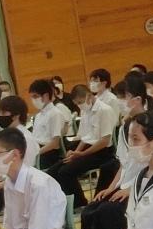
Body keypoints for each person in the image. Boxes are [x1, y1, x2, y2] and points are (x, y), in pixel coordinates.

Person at [77, 77, 150, 229]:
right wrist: (111, 188)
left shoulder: (150, 124)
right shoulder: (125, 126)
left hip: (144, 186)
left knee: (109, 212)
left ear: (137, 99)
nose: (120, 102)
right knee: (90, 211)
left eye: (123, 97)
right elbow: (124, 164)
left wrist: (131, 189)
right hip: (125, 184)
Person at [50, 72, 122, 207]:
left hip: (102, 152)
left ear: (89, 96)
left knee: (66, 172)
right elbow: (84, 137)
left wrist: (81, 154)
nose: (80, 106)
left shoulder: (104, 110)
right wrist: (75, 153)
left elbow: (105, 141)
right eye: (77, 104)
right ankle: (67, 202)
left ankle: (79, 203)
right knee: (54, 171)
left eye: (80, 102)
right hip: (88, 149)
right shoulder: (85, 111)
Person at [29, 78, 75, 172]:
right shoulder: (38, 115)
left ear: (45, 96)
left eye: (35, 96)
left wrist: (36, 153)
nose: (33, 100)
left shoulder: (55, 113)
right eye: (32, 97)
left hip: (48, 154)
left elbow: (55, 143)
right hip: (38, 149)